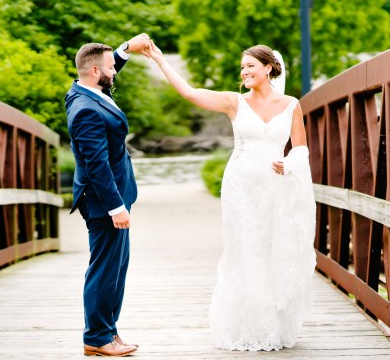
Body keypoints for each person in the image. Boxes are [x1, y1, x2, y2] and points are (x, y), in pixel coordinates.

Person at [148, 42, 316, 351]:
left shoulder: (292, 105)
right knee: (245, 249)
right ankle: (246, 325)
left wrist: (290, 163)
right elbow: (190, 93)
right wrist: (159, 59)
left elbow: (301, 147)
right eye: (242, 67)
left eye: (250, 65)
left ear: (268, 68)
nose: (244, 71)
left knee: (272, 248)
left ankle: (273, 324)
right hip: (241, 187)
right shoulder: (234, 102)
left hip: (275, 187)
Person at [65, 34, 150, 357]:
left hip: (113, 196)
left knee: (116, 268)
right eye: (111, 67)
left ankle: (108, 331)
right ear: (95, 72)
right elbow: (96, 164)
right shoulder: (85, 110)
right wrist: (116, 207)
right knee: (104, 269)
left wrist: (126, 49)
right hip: (104, 201)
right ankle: (97, 337)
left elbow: (106, 69)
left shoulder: (86, 90)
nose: (115, 71)